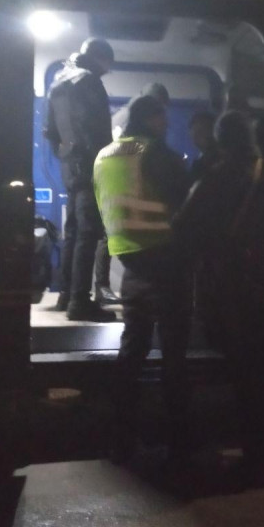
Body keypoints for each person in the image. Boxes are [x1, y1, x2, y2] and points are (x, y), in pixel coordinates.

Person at [174, 111, 264, 489]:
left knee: (250, 378)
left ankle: (257, 460)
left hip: (237, 292)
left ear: (221, 141)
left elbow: (184, 231)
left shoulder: (214, 179)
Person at [94, 94, 192, 466]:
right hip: (167, 260)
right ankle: (179, 442)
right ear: (150, 119)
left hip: (130, 263)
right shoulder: (156, 153)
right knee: (174, 355)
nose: (166, 125)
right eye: (162, 118)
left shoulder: (104, 155)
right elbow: (186, 205)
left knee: (132, 350)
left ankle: (121, 438)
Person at [44, 38, 116, 321]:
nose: (107, 71)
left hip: (69, 167)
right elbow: (97, 128)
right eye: (108, 65)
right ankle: (80, 301)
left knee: (73, 232)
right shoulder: (89, 81)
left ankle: (66, 295)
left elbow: (49, 131)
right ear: (101, 58)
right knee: (89, 233)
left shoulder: (58, 81)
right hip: (90, 165)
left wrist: (65, 156)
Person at [188, 110, 220, 183]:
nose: (197, 136)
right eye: (196, 132)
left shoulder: (222, 160)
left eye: (201, 130)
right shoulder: (198, 163)